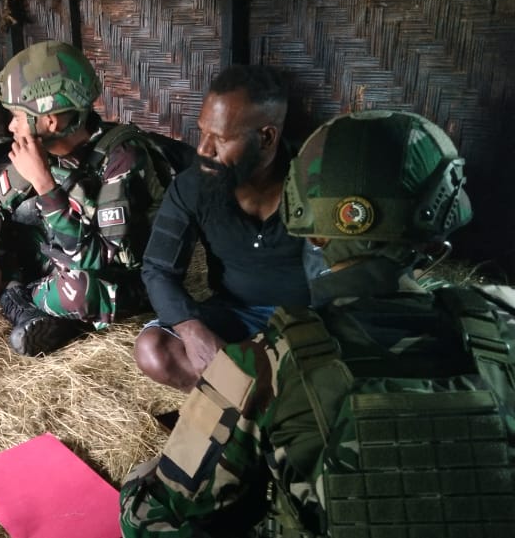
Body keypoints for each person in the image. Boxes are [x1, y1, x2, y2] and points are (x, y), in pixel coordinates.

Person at [120, 110, 515, 537]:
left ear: (310, 230)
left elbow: (153, 520)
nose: (205, 147)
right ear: (439, 231)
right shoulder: (502, 320)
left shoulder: (265, 363)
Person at [0, 41, 167, 356]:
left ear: (50, 121)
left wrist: (44, 184)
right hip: (58, 256)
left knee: (77, 292)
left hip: (113, 276)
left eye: (17, 116)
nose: (11, 126)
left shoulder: (122, 159)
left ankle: (22, 301)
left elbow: (98, 258)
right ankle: (31, 306)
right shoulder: (42, 146)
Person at [134, 65, 323, 391]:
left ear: (266, 138)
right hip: (236, 315)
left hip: (308, 318)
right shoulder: (195, 185)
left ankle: (243, 398)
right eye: (203, 132)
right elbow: (157, 269)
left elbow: (347, 282)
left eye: (220, 138)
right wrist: (192, 330)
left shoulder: (316, 184)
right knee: (154, 350)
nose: (204, 149)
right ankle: (265, 401)